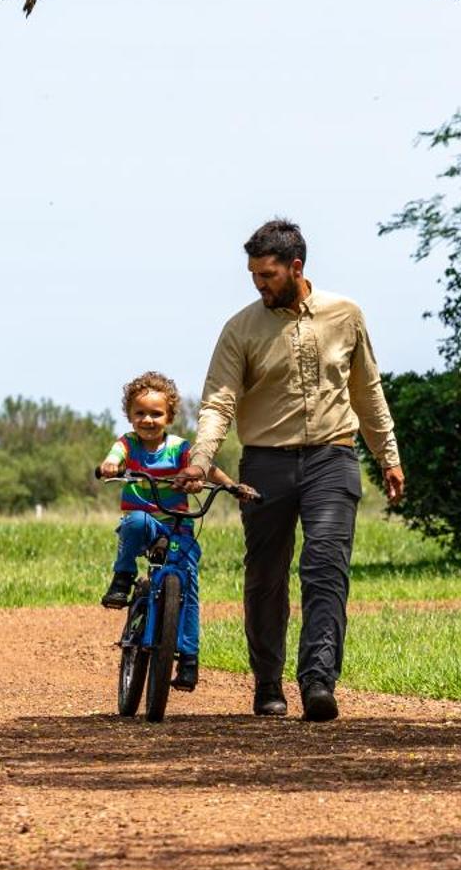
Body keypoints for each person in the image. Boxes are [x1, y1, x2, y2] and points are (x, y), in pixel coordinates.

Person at [176, 218, 404, 722]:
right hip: (265, 464)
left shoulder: (346, 315)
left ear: (296, 267)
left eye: (267, 275)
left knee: (325, 569)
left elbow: (368, 392)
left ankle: (319, 681)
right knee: (266, 576)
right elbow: (218, 400)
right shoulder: (241, 329)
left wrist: (388, 455)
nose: (259, 284)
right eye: (253, 275)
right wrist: (201, 458)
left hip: (333, 457)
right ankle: (267, 683)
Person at [97, 371, 236, 692]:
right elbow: (114, 457)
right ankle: (123, 577)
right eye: (140, 413)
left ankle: (188, 659)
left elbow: (207, 469)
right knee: (132, 522)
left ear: (170, 416)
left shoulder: (179, 448)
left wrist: (232, 485)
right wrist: (110, 466)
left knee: (187, 587)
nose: (147, 419)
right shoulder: (127, 444)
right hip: (144, 523)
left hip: (178, 525)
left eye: (156, 413)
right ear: (130, 416)